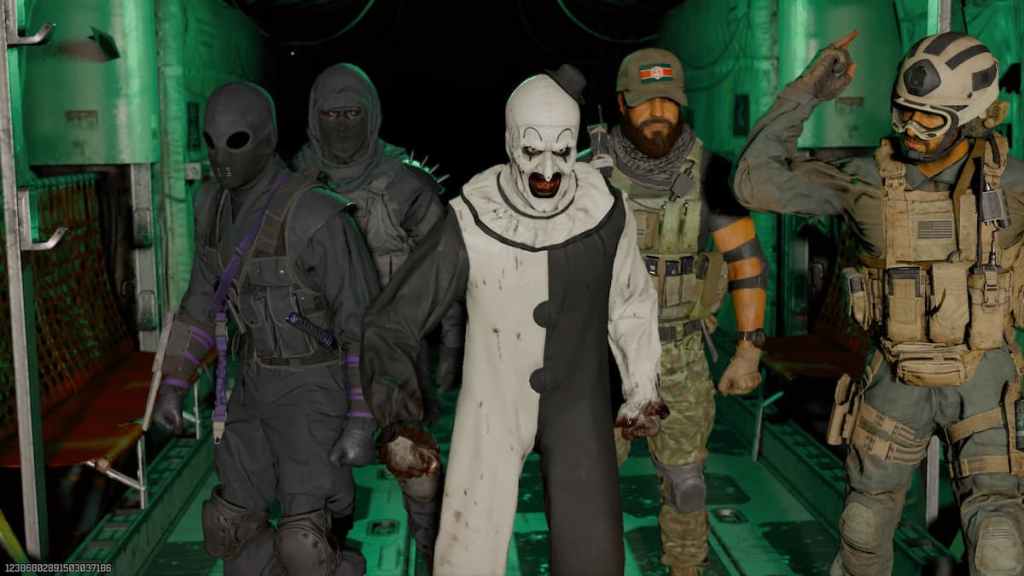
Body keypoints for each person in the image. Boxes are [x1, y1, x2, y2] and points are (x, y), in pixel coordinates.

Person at [734, 31, 1024, 576]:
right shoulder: (862, 180)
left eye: (929, 119)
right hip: (897, 373)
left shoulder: (1012, 184)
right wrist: (807, 91)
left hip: (984, 377)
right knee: (863, 527)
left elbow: (754, 180)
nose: (910, 129)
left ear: (973, 117)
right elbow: (752, 184)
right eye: (903, 112)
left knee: (999, 543)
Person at [360, 66, 668, 575]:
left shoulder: (606, 212)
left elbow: (631, 301)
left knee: (593, 554)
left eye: (562, 151)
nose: (547, 169)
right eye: (531, 150)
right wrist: (398, 421)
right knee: (466, 552)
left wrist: (642, 386)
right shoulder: (470, 220)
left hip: (579, 407)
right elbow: (394, 320)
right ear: (509, 143)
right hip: (491, 406)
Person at [151, 81, 379, 576]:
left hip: (313, 390)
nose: (220, 157)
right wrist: (173, 382)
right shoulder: (212, 209)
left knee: (305, 543)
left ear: (268, 138)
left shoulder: (316, 215)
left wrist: (362, 418)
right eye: (210, 143)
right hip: (250, 382)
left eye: (235, 141)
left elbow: (360, 321)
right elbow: (199, 302)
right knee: (229, 526)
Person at [585, 47, 768, 576]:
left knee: (687, 484)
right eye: (645, 102)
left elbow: (746, 263)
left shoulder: (711, 172)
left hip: (680, 353)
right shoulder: (585, 173)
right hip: (603, 356)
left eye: (668, 101)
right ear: (622, 103)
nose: (658, 113)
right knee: (589, 484)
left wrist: (749, 351)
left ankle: (685, 568)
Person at [292, 63, 464, 565]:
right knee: (316, 479)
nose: (342, 125)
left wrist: (451, 348)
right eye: (331, 114)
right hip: (319, 356)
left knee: (413, 462)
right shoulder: (294, 186)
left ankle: (432, 554)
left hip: (393, 354)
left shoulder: (406, 186)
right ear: (314, 117)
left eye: (352, 114)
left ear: (371, 115)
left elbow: (445, 272)